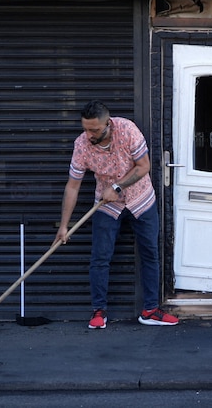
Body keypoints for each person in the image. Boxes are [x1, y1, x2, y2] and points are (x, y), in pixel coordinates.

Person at [55, 100, 178, 329]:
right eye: (85, 128)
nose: (88, 134)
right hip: (106, 204)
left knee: (150, 252)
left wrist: (118, 187)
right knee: (100, 257)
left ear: (108, 124)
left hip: (141, 199)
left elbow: (143, 166)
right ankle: (98, 311)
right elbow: (72, 186)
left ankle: (150, 310)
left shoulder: (127, 129)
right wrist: (64, 226)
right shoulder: (82, 145)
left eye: (94, 129)